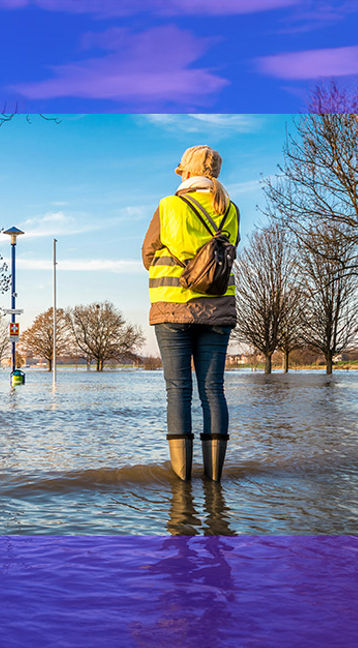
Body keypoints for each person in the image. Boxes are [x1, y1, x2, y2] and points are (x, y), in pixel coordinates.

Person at [142, 145, 240, 482]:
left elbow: (148, 251)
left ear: (185, 172)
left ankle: (181, 482)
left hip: (173, 306)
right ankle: (215, 478)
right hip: (218, 308)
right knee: (213, 389)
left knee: (178, 390)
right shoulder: (230, 209)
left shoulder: (169, 205)